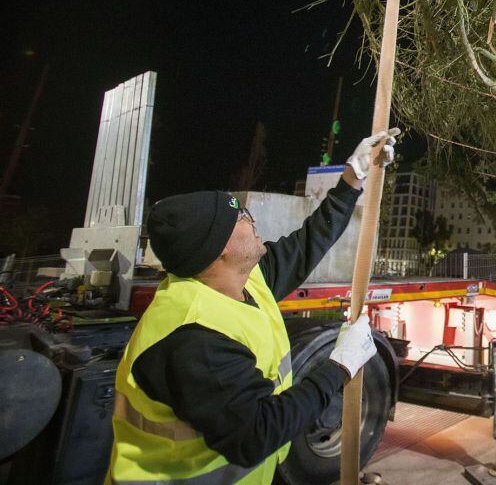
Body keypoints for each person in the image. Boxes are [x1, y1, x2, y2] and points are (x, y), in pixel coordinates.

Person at [106, 132, 396, 485]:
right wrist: (339, 367)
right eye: (240, 217)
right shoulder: (192, 337)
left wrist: (353, 177)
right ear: (218, 248)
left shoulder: (244, 280)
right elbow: (257, 432)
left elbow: (309, 243)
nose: (251, 218)